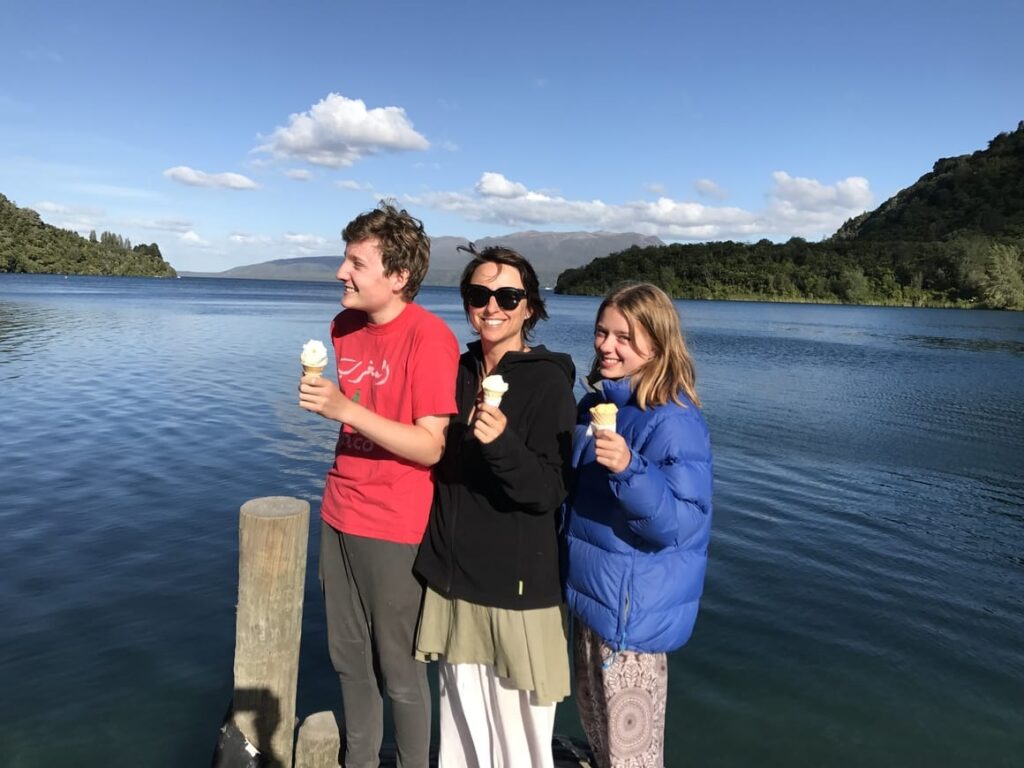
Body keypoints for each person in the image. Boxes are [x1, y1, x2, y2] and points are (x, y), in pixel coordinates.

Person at [299, 201, 459, 768]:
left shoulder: (430, 339)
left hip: (396, 524)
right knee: (347, 659)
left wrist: (345, 409)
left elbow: (431, 445)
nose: (342, 273)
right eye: (345, 259)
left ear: (397, 277)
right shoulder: (342, 327)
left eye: (356, 263)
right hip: (339, 511)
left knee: (400, 669)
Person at [413, 244, 577, 768]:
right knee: (462, 737)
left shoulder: (548, 382)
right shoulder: (457, 370)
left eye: (508, 295)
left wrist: (502, 444)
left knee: (520, 745)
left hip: (517, 592)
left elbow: (549, 491)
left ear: (530, 307)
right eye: (479, 294)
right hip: (455, 581)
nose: (493, 307)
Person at [562, 282, 713, 768]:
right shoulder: (595, 408)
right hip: (590, 603)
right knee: (598, 739)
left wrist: (629, 469)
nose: (607, 346)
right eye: (601, 333)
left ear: (657, 344)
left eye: (624, 337)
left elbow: (677, 526)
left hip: (632, 624)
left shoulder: (674, 419)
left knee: (633, 757)